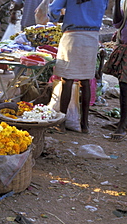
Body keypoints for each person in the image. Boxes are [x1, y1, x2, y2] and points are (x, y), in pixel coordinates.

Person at [48, 0, 108, 134]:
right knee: (86, 81)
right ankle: (85, 124)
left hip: (72, 36)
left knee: (67, 80)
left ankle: (62, 123)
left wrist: (57, 18)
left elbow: (53, 10)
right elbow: (103, 9)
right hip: (92, 37)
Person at [103, 0, 127, 142]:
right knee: (123, 85)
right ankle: (123, 121)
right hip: (125, 45)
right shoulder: (126, 2)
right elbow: (118, 23)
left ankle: (123, 124)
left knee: (126, 87)